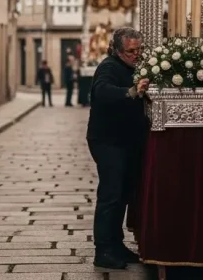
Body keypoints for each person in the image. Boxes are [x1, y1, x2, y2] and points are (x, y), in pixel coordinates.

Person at [86, 27, 150, 270]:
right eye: (130, 51)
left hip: (125, 141)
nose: (136, 54)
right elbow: (102, 92)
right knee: (111, 196)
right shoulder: (109, 67)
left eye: (139, 50)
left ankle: (116, 244)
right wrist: (130, 92)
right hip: (108, 141)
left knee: (122, 195)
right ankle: (103, 250)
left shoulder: (131, 66)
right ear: (117, 50)